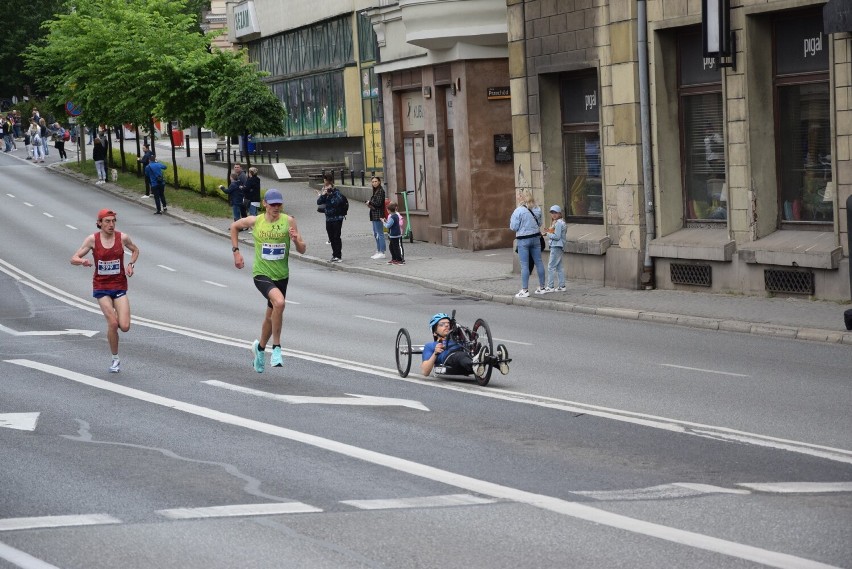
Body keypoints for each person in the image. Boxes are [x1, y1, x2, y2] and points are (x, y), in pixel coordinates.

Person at [229, 189, 307, 373]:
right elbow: (234, 227)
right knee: (279, 303)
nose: (276, 207)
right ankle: (277, 349)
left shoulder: (288, 221)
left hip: (281, 275)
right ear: (265, 204)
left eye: (279, 204)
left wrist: (295, 241)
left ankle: (260, 349)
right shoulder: (256, 221)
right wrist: (236, 252)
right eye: (272, 204)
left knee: (270, 317)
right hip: (262, 274)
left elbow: (303, 249)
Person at [70, 208, 140, 373]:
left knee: (125, 326)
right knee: (113, 323)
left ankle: (115, 341)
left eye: (113, 221)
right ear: (99, 223)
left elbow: (135, 250)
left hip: (119, 285)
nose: (111, 224)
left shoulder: (122, 238)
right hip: (101, 286)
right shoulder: (92, 240)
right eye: (107, 221)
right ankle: (115, 359)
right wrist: (82, 261)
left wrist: (130, 264)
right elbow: (73, 258)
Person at [420, 313, 487, 379]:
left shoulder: (457, 339)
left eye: (448, 323)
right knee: (460, 355)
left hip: (467, 355)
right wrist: (435, 353)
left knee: (483, 352)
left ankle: (496, 362)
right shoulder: (430, 346)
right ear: (434, 332)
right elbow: (425, 372)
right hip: (451, 357)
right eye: (442, 324)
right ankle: (475, 364)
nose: (446, 325)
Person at [509, 188, 546, 297]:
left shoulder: (518, 210)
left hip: (523, 240)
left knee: (524, 265)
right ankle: (542, 287)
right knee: (539, 262)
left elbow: (513, 227)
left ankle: (524, 290)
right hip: (536, 238)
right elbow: (539, 223)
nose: (516, 197)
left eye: (517, 195)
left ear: (521, 197)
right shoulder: (537, 209)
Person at [316, 172, 345, 262]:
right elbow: (319, 202)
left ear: (330, 181)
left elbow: (337, 202)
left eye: (326, 180)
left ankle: (338, 256)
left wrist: (330, 194)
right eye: (324, 180)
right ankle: (334, 254)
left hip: (337, 217)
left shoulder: (336, 191)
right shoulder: (324, 190)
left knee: (336, 236)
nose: (325, 182)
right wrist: (323, 195)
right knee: (331, 237)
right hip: (328, 218)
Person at [543, 205, 567, 292]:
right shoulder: (559, 222)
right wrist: (549, 231)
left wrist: (547, 234)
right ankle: (562, 286)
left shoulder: (558, 223)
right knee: (559, 267)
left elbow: (557, 237)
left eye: (555, 213)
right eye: (552, 213)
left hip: (556, 246)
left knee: (551, 266)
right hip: (559, 246)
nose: (553, 214)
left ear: (560, 213)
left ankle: (550, 286)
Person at [366, 176, 387, 259]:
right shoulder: (376, 191)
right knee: (376, 233)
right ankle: (378, 250)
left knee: (380, 233)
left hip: (379, 215)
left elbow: (378, 203)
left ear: (379, 182)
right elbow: (375, 204)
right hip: (374, 214)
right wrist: (370, 204)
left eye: (375, 181)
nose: (374, 183)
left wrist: (370, 202)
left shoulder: (380, 191)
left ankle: (382, 252)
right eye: (373, 182)